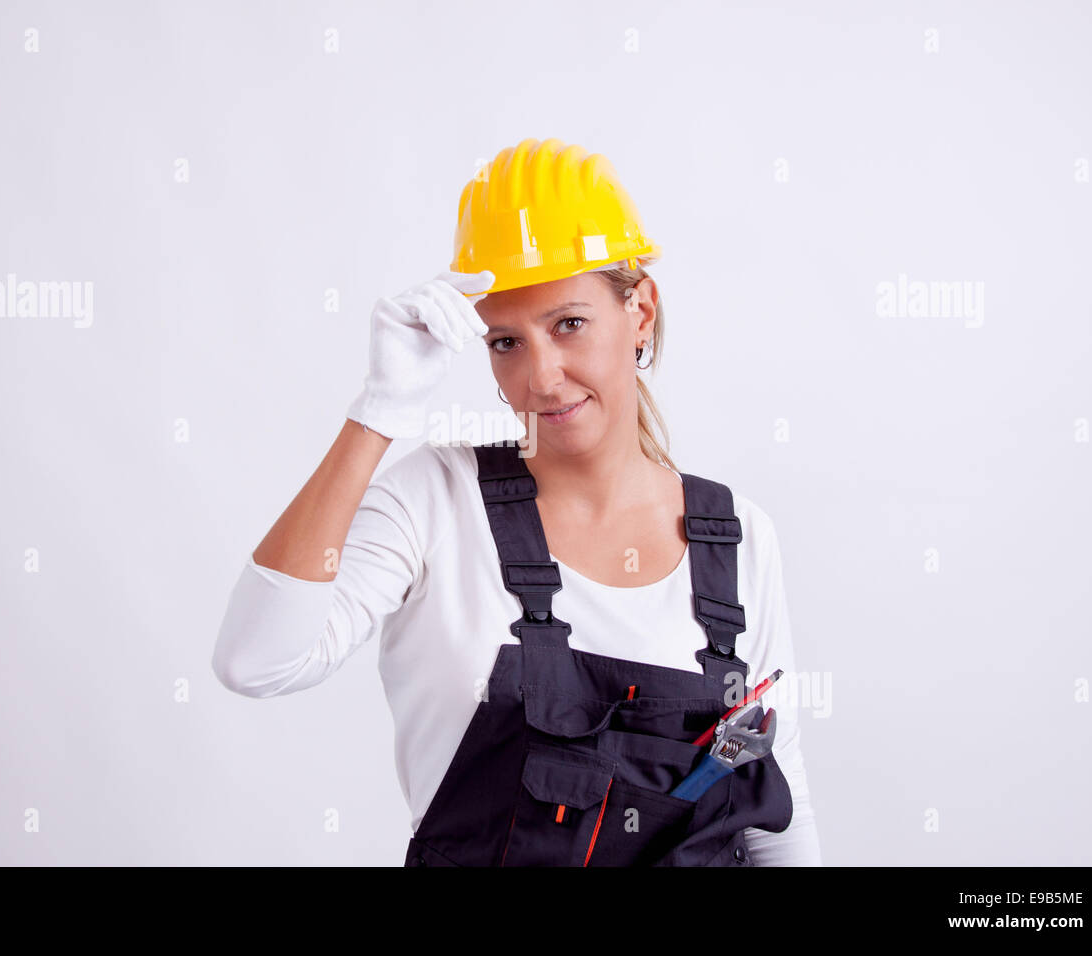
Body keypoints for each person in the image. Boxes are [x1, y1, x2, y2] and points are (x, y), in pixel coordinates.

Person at [214, 137, 823, 866]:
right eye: (505, 342)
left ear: (640, 311)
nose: (540, 377)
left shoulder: (738, 539)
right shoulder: (434, 503)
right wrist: (378, 413)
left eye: (569, 324)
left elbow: (772, 816)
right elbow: (256, 661)